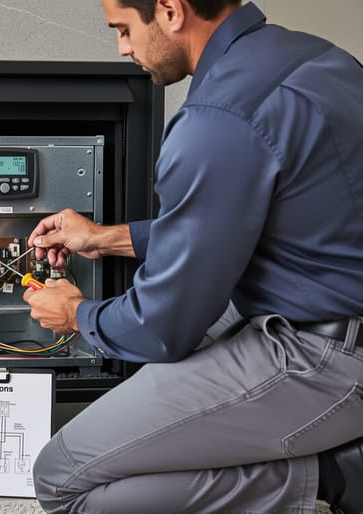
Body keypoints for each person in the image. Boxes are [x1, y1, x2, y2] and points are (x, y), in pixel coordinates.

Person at [23, 0, 363, 512]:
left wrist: (75, 314)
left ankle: (330, 476)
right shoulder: (319, 59)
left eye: (123, 29)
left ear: (170, 10)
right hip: (324, 306)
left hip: (323, 354)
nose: (122, 48)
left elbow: (163, 327)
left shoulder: (218, 119)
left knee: (60, 477)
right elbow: (237, 223)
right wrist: (103, 237)